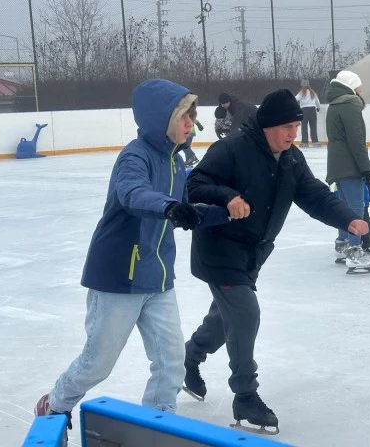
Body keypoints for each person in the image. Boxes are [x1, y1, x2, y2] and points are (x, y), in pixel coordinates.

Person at [34, 79, 229, 430]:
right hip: (118, 277)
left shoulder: (175, 161)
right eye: (185, 116)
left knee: (171, 361)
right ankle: (55, 404)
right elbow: (133, 193)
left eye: (193, 117)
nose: (191, 124)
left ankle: (157, 423)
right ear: (163, 119)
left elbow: (184, 210)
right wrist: (170, 207)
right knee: (99, 363)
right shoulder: (135, 155)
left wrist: (226, 211)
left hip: (157, 277)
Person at [182, 89, 368, 435]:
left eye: (295, 127)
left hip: (252, 254)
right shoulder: (232, 150)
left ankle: (189, 357)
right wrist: (229, 196)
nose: (292, 134)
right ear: (267, 125)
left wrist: (347, 218)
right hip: (220, 250)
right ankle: (245, 395)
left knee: (225, 319)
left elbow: (314, 195)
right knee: (244, 313)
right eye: (286, 127)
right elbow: (195, 184)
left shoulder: (291, 159)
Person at [325, 70, 370, 270]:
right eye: (358, 88)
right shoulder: (350, 106)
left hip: (337, 164)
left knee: (343, 207)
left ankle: (343, 244)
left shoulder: (335, 105)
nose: (360, 92)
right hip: (350, 165)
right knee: (356, 208)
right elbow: (356, 141)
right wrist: (366, 169)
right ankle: (355, 252)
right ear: (350, 88)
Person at [295, 79, 321, 147]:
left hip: (304, 110)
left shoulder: (301, 93)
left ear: (302, 85)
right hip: (312, 110)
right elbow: (317, 101)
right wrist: (318, 107)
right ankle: (315, 142)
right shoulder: (312, 92)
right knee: (313, 126)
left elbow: (296, 99)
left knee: (304, 127)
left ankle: (304, 142)